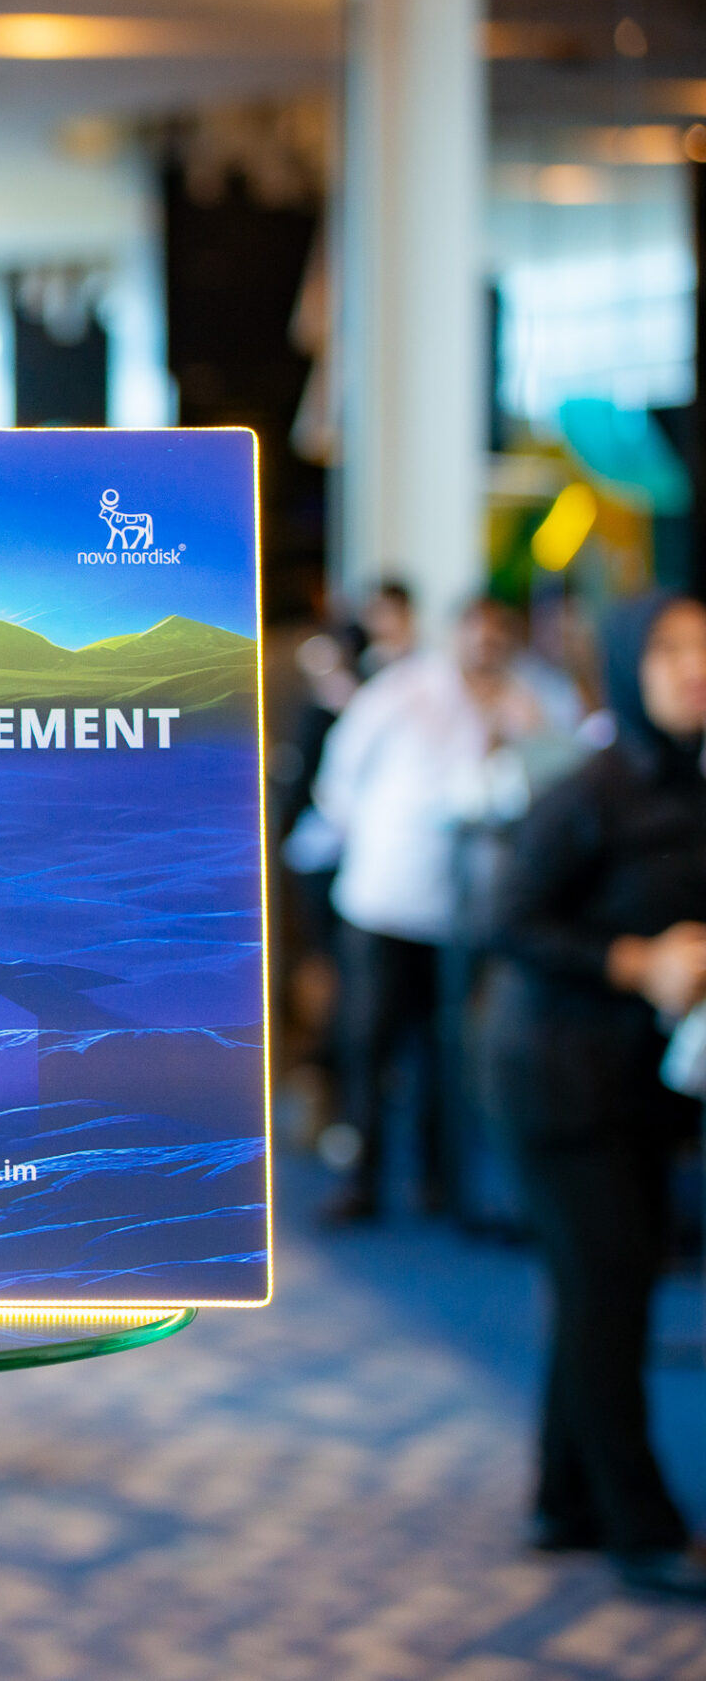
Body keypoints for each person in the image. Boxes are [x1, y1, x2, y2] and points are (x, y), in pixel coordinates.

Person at [488, 590, 706, 1600]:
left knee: (599, 1288)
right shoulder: (590, 790)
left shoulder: (690, 783)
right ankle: (640, 1525)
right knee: (607, 1294)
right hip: (555, 1078)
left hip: (637, 1083)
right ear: (625, 665)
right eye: (667, 650)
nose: (692, 668)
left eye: (704, 647)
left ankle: (562, 1499)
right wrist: (635, 960)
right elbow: (509, 918)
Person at [311, 596, 572, 1220]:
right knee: (370, 1042)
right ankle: (362, 1178)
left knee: (443, 1048)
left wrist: (526, 730)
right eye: (477, 633)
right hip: (386, 895)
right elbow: (340, 772)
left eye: (498, 635)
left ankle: (437, 1182)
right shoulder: (403, 690)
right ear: (457, 635)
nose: (486, 645)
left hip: (464, 913)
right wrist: (364, 833)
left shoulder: (533, 700)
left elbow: (559, 779)